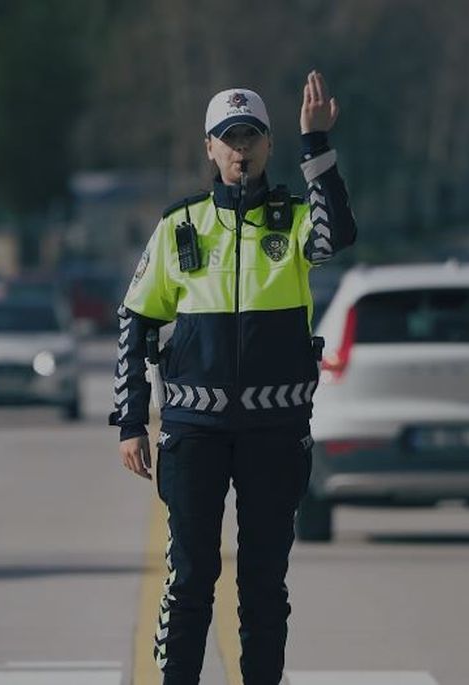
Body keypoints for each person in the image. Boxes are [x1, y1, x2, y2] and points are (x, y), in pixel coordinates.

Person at [109, 72, 356, 685]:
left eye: (251, 137)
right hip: (194, 431)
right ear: (210, 149)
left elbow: (336, 237)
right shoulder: (180, 227)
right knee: (191, 577)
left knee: (264, 583)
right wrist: (131, 421)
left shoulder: (294, 219)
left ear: (269, 145)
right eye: (228, 138)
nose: (240, 149)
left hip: (274, 429)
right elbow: (134, 325)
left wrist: (316, 143)